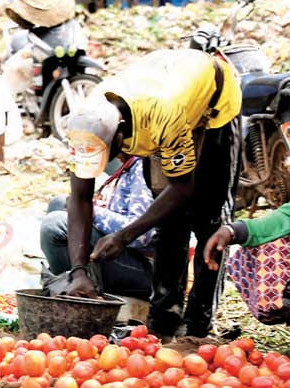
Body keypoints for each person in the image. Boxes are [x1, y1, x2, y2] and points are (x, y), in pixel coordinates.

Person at [64, 48, 242, 338]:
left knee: (208, 217)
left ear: (120, 134)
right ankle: (163, 321)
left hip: (213, 105)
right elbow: (80, 197)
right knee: (169, 221)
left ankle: (198, 324)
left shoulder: (163, 114)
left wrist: (125, 235)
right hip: (161, 99)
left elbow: (183, 188)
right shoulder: (87, 121)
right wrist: (79, 271)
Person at [40, 156, 155, 301]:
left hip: (143, 268)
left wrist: (93, 213)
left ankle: (73, 290)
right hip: (121, 254)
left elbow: (142, 236)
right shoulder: (127, 166)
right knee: (59, 203)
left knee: (55, 224)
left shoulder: (141, 167)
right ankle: (73, 279)